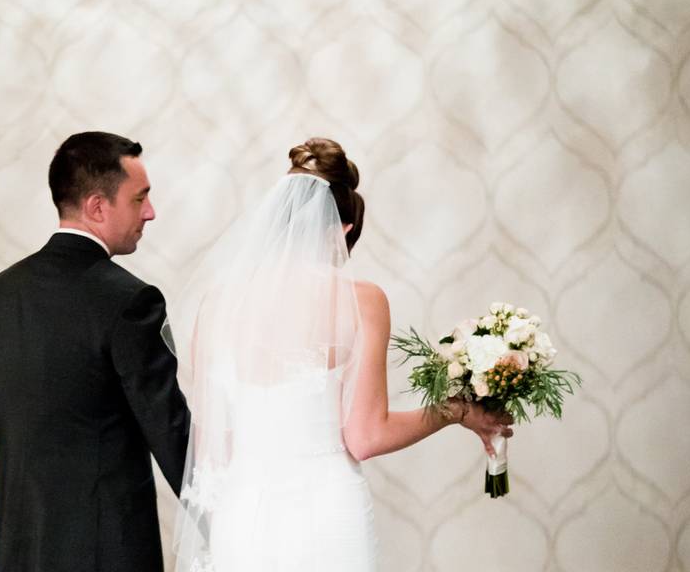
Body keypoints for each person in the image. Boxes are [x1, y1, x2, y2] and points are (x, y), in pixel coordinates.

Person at [170, 138, 512, 571]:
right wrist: (457, 411)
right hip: (324, 514)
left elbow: (211, 449)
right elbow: (365, 437)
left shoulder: (217, 304)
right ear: (343, 228)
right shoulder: (362, 300)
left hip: (239, 516)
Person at [0, 131, 190, 572]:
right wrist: (229, 521)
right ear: (98, 207)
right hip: (110, 555)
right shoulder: (131, 302)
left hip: (20, 550)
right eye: (140, 199)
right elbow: (170, 429)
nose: (151, 212)